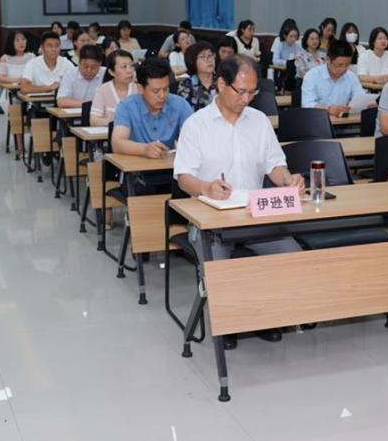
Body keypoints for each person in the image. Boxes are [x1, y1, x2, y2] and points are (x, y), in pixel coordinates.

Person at [174, 55, 305, 345]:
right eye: (240, 91)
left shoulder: (259, 121)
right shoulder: (196, 125)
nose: (246, 99)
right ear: (221, 84)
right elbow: (183, 178)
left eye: (252, 92)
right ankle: (229, 324)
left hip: (254, 215)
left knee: (291, 256)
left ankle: (265, 318)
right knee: (219, 269)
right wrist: (206, 187)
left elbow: (275, 165)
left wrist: (288, 180)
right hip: (211, 220)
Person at [111, 58, 193, 159]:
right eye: (155, 91)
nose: (162, 95)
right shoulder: (126, 106)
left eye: (166, 89)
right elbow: (117, 143)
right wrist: (144, 150)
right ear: (140, 89)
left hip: (170, 165)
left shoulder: (180, 104)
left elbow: (195, 137)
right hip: (137, 166)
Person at [301, 39, 367, 117]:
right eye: (339, 65)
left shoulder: (351, 76)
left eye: (347, 65)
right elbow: (307, 104)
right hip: (317, 120)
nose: (343, 69)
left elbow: (360, 98)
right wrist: (329, 109)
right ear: (328, 60)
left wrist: (366, 104)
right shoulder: (312, 76)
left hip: (344, 122)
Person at [90, 50, 140, 125]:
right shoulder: (103, 90)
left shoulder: (139, 90)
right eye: (124, 67)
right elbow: (93, 121)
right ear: (112, 72)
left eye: (131, 66)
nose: (129, 71)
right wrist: (120, 122)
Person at [0, 30, 34, 110]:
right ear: (11, 43)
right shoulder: (5, 58)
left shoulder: (31, 57)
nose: (21, 43)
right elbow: (1, 78)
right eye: (17, 40)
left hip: (29, 91)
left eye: (23, 39)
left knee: (33, 107)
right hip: (11, 94)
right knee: (16, 106)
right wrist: (17, 80)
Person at [177, 40, 218, 111]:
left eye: (210, 55)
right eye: (203, 57)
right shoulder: (186, 84)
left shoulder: (223, 81)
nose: (209, 60)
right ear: (193, 61)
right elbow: (184, 111)